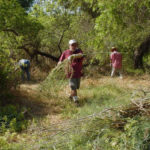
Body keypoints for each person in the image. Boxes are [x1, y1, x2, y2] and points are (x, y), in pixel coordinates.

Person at [58, 39, 84, 104]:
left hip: (78, 73)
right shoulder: (65, 52)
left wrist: (73, 56)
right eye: (72, 45)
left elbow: (81, 55)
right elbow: (60, 61)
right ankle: (76, 101)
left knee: (76, 87)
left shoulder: (79, 51)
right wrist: (59, 65)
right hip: (70, 73)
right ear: (69, 45)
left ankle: (71, 96)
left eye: (75, 45)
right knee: (73, 86)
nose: (74, 46)